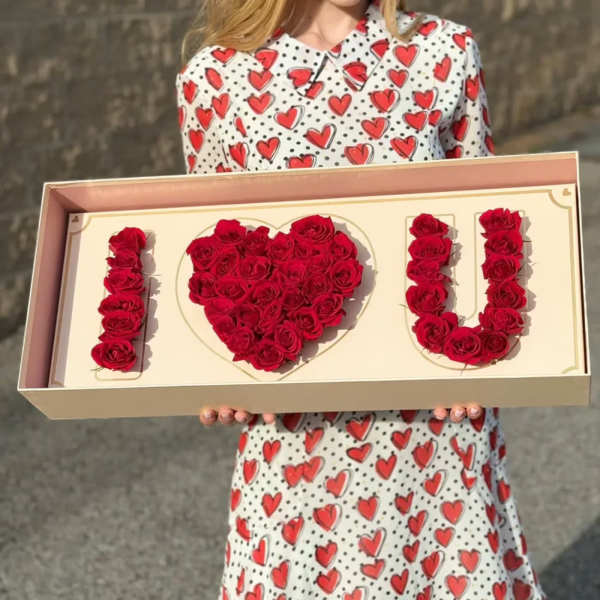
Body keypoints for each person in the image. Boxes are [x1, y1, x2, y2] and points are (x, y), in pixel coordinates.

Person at [175, 1, 547, 598]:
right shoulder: (215, 77)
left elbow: (483, 215)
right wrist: (216, 377)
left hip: (435, 409)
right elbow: (210, 249)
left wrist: (481, 368)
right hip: (293, 418)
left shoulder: (444, 50)